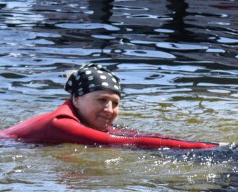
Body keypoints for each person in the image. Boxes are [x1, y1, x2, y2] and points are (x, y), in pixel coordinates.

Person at [0, 63, 218, 149]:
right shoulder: (61, 123)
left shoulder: (79, 118)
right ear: (76, 99)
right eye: (101, 100)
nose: (109, 109)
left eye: (115, 103)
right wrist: (211, 147)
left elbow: (129, 134)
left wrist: (189, 145)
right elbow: (116, 141)